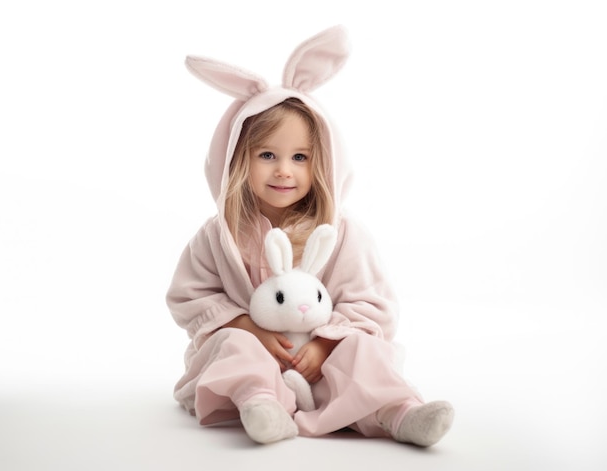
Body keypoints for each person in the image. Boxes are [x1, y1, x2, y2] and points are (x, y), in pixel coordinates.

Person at [166, 25, 454, 446]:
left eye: (300, 157)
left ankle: (399, 411)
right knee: (233, 345)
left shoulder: (341, 233)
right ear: (236, 161)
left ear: (321, 163)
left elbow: (370, 304)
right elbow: (189, 296)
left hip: (323, 361)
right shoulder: (218, 236)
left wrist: (324, 345)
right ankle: (260, 403)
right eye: (267, 155)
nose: (284, 169)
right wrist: (248, 326)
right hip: (255, 354)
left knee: (365, 352)